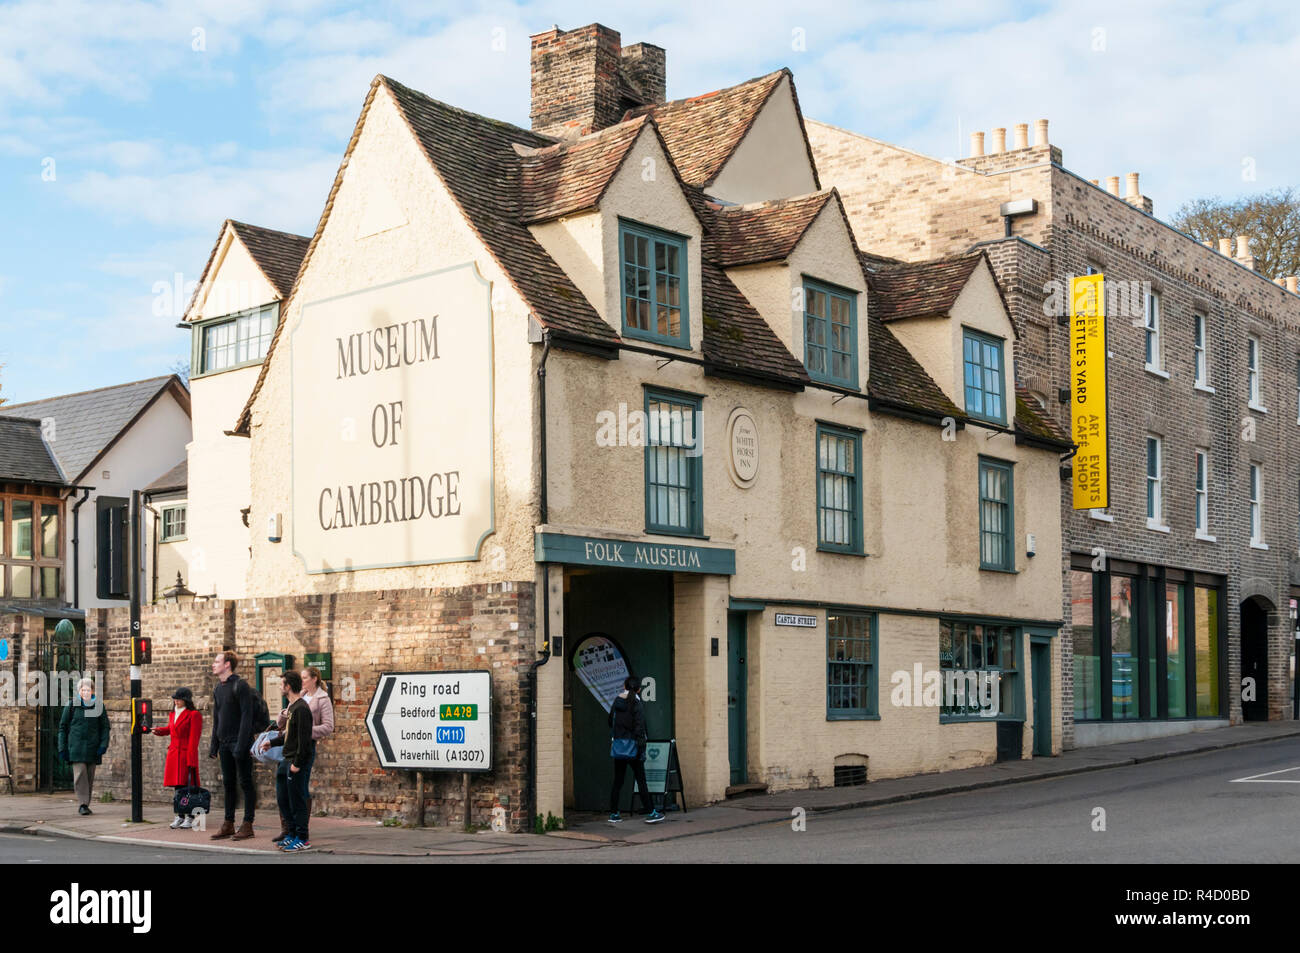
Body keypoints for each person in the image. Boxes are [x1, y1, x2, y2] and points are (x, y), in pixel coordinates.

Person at [267, 666, 334, 844]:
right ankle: (289, 830)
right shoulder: (297, 699)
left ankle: (301, 835)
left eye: (305, 677)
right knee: (284, 795)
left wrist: (302, 731)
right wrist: (275, 738)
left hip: (303, 749)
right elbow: (285, 725)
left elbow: (328, 726)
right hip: (289, 749)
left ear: (314, 679)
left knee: (298, 793)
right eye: (301, 677)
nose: (302, 680)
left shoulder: (320, 699)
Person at [207, 650, 256, 840]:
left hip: (240, 742)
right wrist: (214, 745)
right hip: (224, 742)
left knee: (245, 781)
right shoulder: (218, 688)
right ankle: (228, 823)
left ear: (227, 664)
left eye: (217, 661)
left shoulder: (240, 685)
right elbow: (217, 718)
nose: (214, 664)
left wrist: (242, 745)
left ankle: (248, 824)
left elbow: (247, 717)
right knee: (228, 783)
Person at [608, 675, 664, 824]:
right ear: (639, 689)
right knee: (641, 780)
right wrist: (641, 747)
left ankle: (614, 813)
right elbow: (639, 727)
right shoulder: (637, 703)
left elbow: (610, 721)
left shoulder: (617, 701)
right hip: (633, 747)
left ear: (624, 686)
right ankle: (651, 812)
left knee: (618, 781)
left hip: (619, 746)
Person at [268, 670, 313, 852]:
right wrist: (270, 743)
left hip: (294, 762)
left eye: (282, 684)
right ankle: (292, 834)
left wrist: (297, 763)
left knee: (297, 801)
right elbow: (289, 736)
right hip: (285, 760)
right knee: (283, 800)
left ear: (288, 686)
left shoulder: (302, 709)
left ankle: (303, 838)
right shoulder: (292, 708)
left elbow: (304, 740)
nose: (280, 686)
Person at [147, 688, 203, 829]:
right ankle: (179, 815)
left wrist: (192, 760)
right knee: (177, 788)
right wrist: (159, 730)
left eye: (178, 699)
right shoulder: (173, 714)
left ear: (186, 700)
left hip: (186, 755)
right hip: (173, 754)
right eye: (175, 699)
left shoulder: (193, 715)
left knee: (188, 787)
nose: (175, 701)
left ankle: (190, 817)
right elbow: (171, 729)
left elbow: (194, 739)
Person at [57, 677, 110, 816]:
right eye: (83, 689)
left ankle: (86, 803)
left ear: (92, 691)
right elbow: (63, 728)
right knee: (80, 775)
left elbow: (105, 727)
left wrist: (103, 745)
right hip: (76, 748)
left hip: (93, 748)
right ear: (79, 691)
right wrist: (62, 748)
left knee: (89, 777)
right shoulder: (72, 706)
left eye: (88, 689)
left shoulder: (99, 706)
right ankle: (83, 804)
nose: (85, 692)